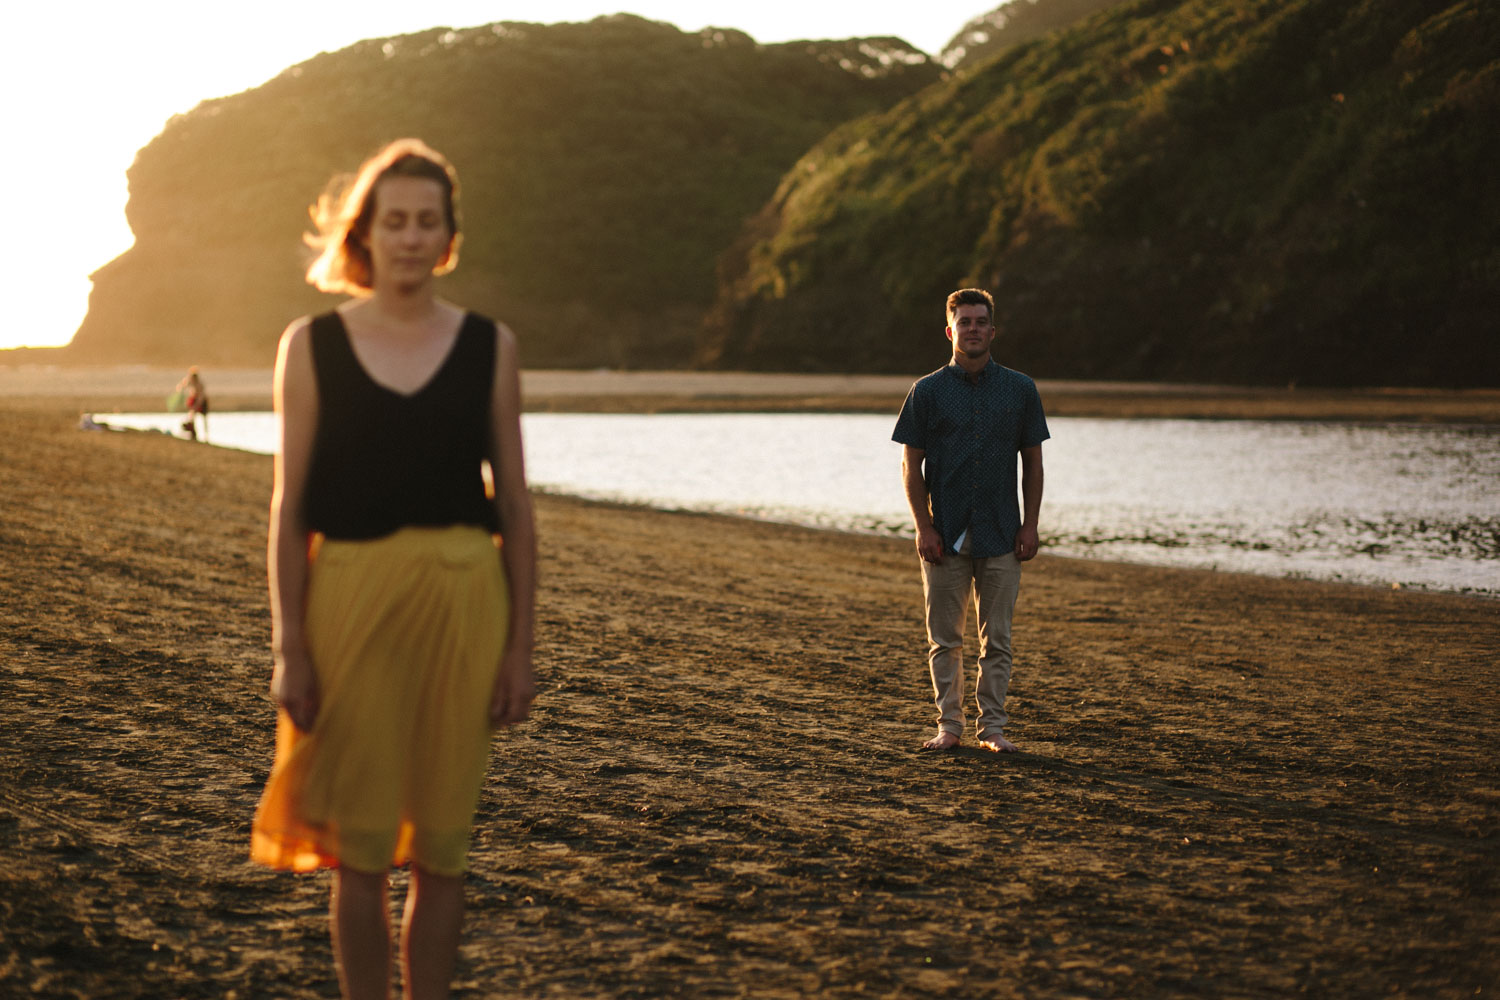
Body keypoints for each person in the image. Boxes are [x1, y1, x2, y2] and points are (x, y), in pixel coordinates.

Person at [250, 138, 537, 1000]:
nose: (410, 237)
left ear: (448, 236)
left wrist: (521, 648)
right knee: (360, 847)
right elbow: (288, 506)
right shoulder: (311, 344)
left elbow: (516, 507)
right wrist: (290, 645)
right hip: (347, 601)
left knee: (444, 846)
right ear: (363, 233)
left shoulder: (491, 345)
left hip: (464, 600)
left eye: (427, 222)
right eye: (394, 220)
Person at [892, 288, 1048, 753]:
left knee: (997, 640)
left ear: (992, 330)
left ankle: (993, 730)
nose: (973, 329)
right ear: (950, 330)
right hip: (945, 534)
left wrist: (1031, 524)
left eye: (981, 321)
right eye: (965, 322)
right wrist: (923, 527)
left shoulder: (1021, 389)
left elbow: (1033, 465)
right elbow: (910, 466)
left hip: (1003, 532)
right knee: (945, 639)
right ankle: (949, 727)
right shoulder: (927, 391)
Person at [176, 367, 209, 441]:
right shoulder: (189, 380)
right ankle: (193, 433)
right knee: (192, 416)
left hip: (201, 401)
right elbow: (180, 386)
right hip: (194, 398)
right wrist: (180, 391)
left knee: (204, 418)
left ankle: (206, 435)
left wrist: (196, 405)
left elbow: (201, 397)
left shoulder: (199, 384)